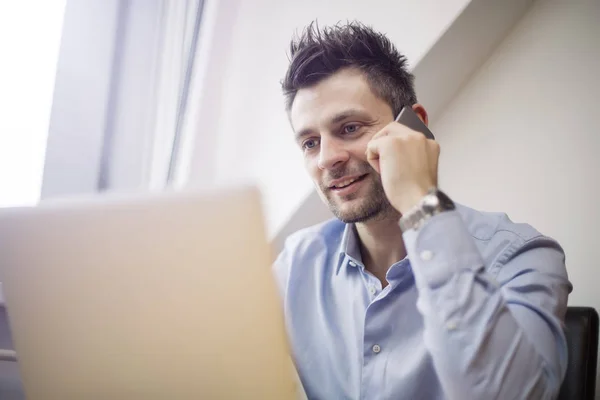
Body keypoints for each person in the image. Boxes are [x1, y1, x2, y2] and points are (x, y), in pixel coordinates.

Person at [273, 21, 572, 400]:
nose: (327, 159)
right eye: (310, 143)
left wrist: (421, 201)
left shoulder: (521, 255)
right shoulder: (296, 265)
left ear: (415, 127)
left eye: (349, 128)